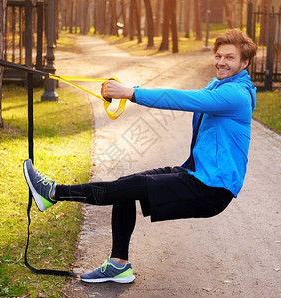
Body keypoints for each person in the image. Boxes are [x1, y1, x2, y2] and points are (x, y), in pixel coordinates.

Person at [23, 29, 257, 284]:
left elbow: (182, 99)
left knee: (124, 189)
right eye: (219, 55)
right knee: (125, 186)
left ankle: (54, 192)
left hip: (210, 189)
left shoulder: (236, 95)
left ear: (244, 63)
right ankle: (118, 265)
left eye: (230, 58)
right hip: (195, 173)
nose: (221, 62)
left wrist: (131, 93)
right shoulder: (221, 85)